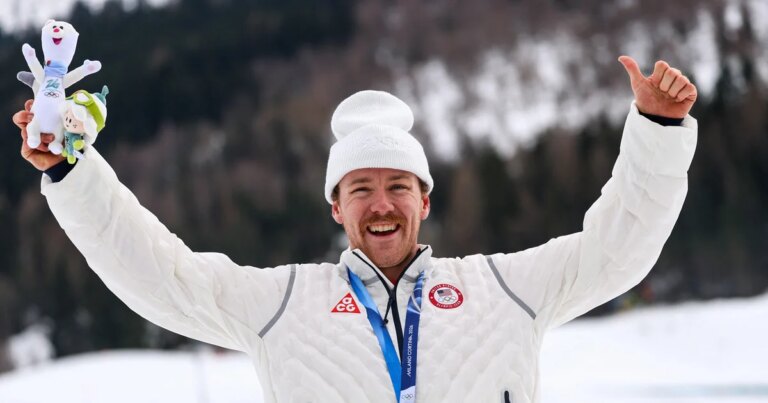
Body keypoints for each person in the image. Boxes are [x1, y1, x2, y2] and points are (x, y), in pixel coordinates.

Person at [12, 56, 697, 403]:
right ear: (333, 208)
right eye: (360, 188)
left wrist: (659, 131)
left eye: (398, 185)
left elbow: (618, 249)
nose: (381, 204)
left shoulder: (503, 287)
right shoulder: (282, 303)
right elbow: (158, 274)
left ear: (424, 199)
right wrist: (76, 174)